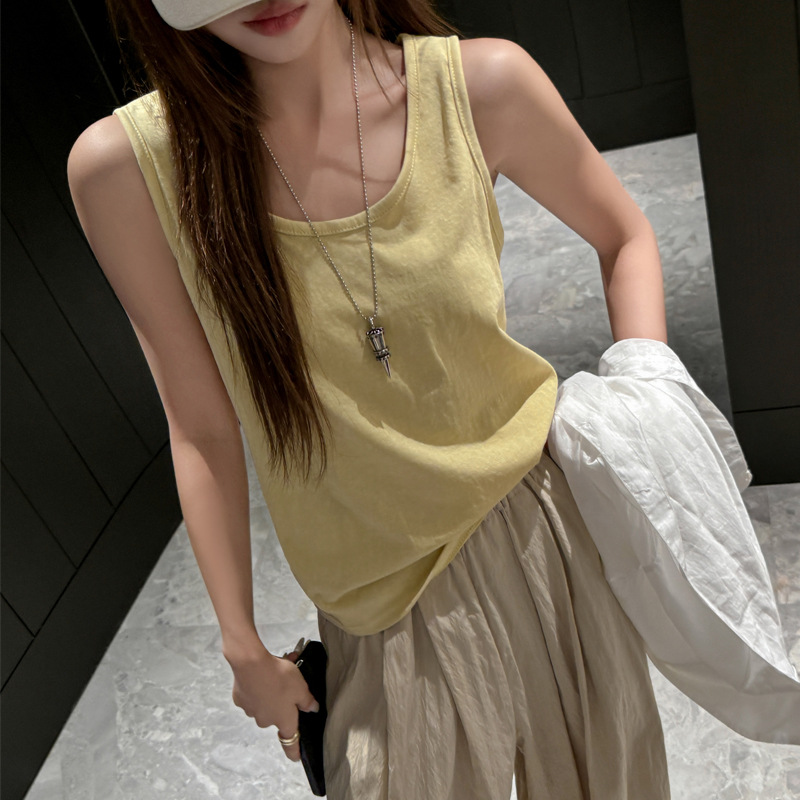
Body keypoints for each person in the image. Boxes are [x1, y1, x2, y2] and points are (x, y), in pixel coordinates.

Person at [67, 0, 671, 796]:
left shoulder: (479, 86)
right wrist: (241, 643)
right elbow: (202, 424)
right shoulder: (131, 170)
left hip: (546, 538)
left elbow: (624, 236)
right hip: (379, 605)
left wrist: (647, 409)